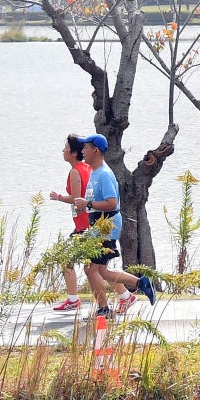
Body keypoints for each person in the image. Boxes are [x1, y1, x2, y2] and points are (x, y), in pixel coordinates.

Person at [49, 134, 158, 321]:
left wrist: (88, 204)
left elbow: (112, 203)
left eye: (86, 148)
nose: (83, 151)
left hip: (106, 225)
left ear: (96, 150)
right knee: (102, 271)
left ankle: (103, 310)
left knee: (91, 270)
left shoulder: (105, 175)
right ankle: (141, 283)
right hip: (98, 226)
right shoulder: (94, 172)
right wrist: (88, 206)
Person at [52, 135, 94, 313]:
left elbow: (77, 199)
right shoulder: (88, 167)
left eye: (66, 147)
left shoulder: (76, 171)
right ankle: (125, 295)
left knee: (67, 260)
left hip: (84, 225)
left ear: (74, 153)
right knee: (95, 267)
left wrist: (59, 197)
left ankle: (73, 300)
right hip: (88, 223)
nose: (63, 151)